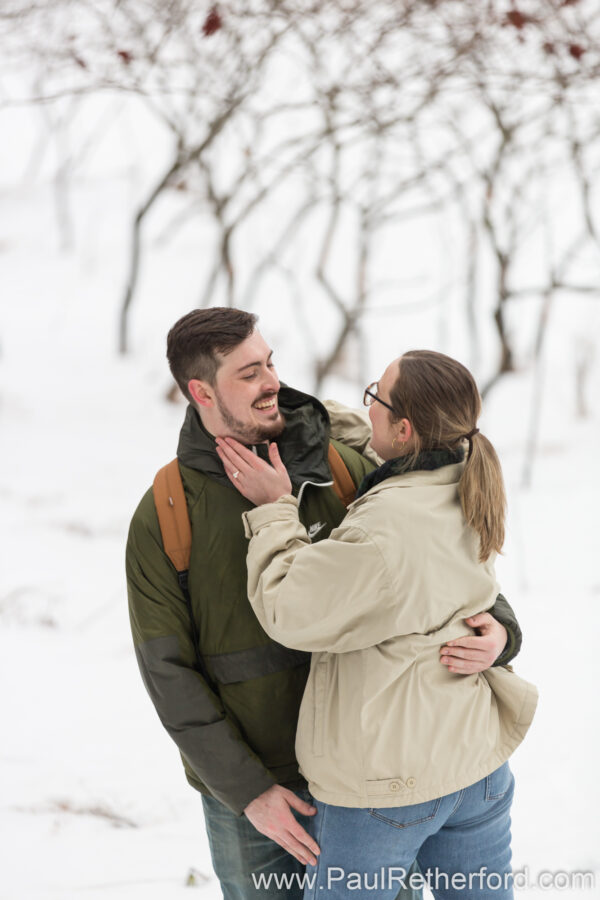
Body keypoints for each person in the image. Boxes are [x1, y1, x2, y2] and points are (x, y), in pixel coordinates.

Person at [126, 311, 524, 900]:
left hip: (376, 779)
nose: (272, 381)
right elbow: (168, 674)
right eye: (249, 373)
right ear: (201, 392)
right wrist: (247, 790)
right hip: (262, 795)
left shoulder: (340, 466)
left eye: (270, 363)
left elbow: (440, 564)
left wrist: (502, 629)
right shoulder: (167, 511)